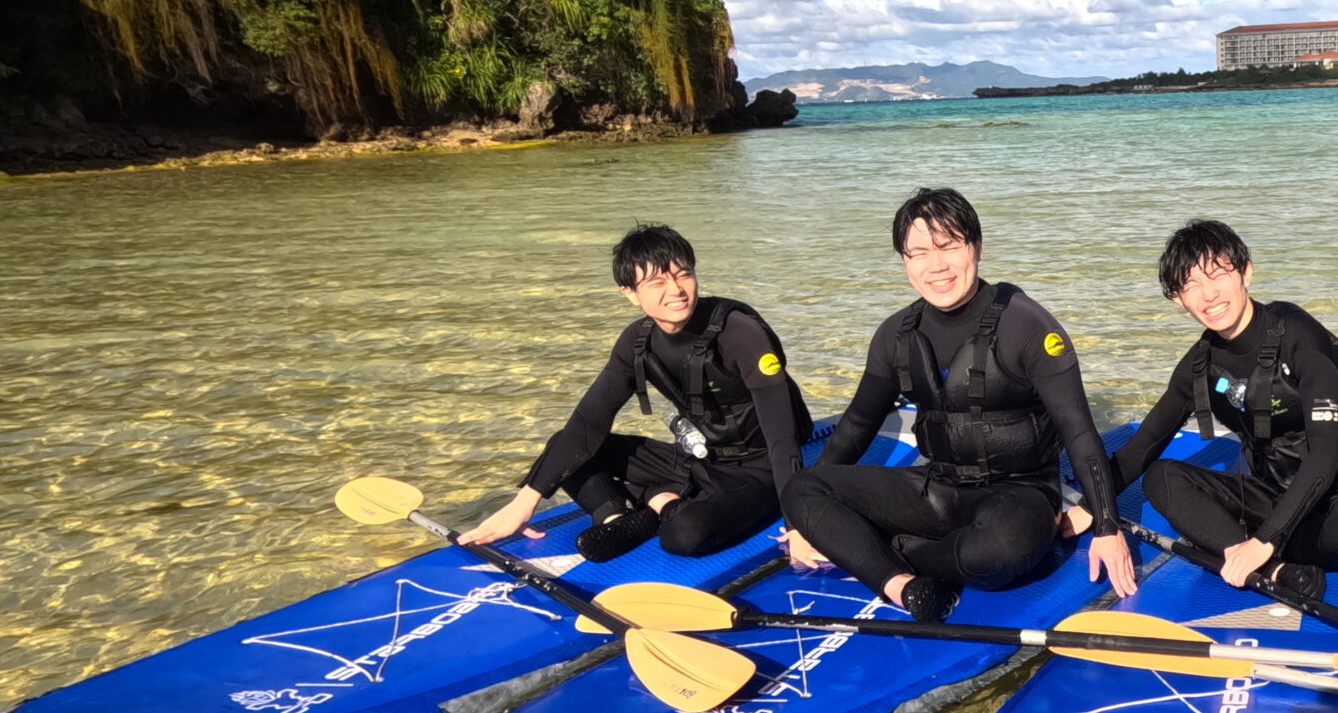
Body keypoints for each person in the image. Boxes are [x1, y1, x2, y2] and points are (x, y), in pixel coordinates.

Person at [782, 188, 1137, 621]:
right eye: (919, 253)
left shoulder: (1028, 326)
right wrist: (802, 522)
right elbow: (856, 426)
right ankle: (902, 586)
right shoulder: (895, 335)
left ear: (977, 248)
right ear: (905, 261)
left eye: (949, 246)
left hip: (1018, 494)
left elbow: (1078, 430)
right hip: (936, 488)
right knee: (802, 488)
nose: (936, 266)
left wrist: (1106, 525)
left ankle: (883, 551)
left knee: (1002, 553)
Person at [460, 222, 810, 563]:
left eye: (684, 275)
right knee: (564, 447)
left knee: (685, 534)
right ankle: (617, 515)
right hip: (696, 459)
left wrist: (800, 524)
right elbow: (587, 423)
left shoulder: (740, 333)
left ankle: (659, 502)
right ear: (629, 293)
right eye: (657, 282)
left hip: (757, 468)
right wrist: (522, 505)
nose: (676, 290)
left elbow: (782, 437)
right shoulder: (637, 342)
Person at [1108, 219, 1338, 604]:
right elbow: (1141, 448)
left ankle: (1245, 549)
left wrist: (1265, 540)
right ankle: (1271, 569)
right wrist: (1096, 510)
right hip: (1271, 496)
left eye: (1218, 274)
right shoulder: (1200, 366)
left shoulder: (1299, 335)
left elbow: (1326, 453)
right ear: (1178, 299)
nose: (1208, 294)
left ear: (1246, 272)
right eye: (1191, 284)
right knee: (1161, 478)